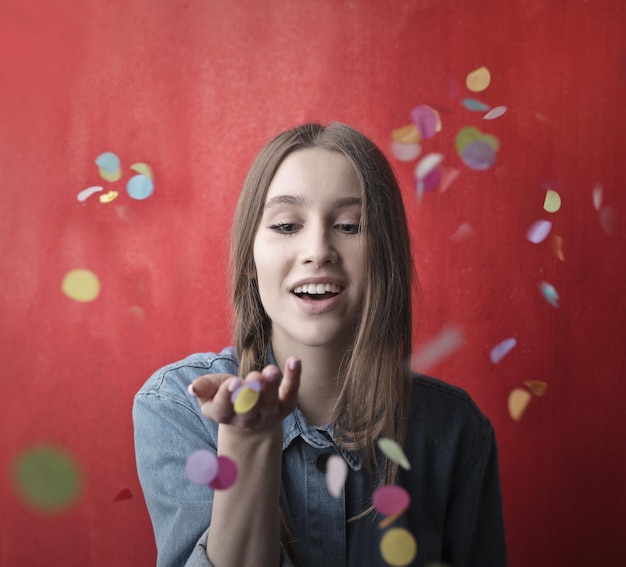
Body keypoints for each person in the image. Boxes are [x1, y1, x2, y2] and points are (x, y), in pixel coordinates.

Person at [133, 122, 507, 567]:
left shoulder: (454, 431)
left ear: (386, 257)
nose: (318, 250)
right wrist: (246, 447)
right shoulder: (177, 407)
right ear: (251, 259)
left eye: (349, 226)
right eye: (287, 225)